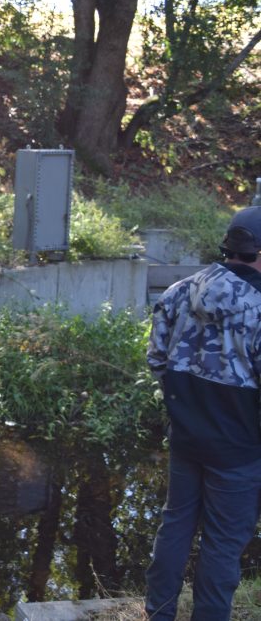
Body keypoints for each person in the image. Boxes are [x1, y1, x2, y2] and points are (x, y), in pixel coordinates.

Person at [144, 206, 261, 620]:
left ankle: (158, 614)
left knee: (174, 526)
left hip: (185, 438)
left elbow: (157, 359)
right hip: (239, 449)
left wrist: (188, 405)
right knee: (223, 544)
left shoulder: (179, 290)